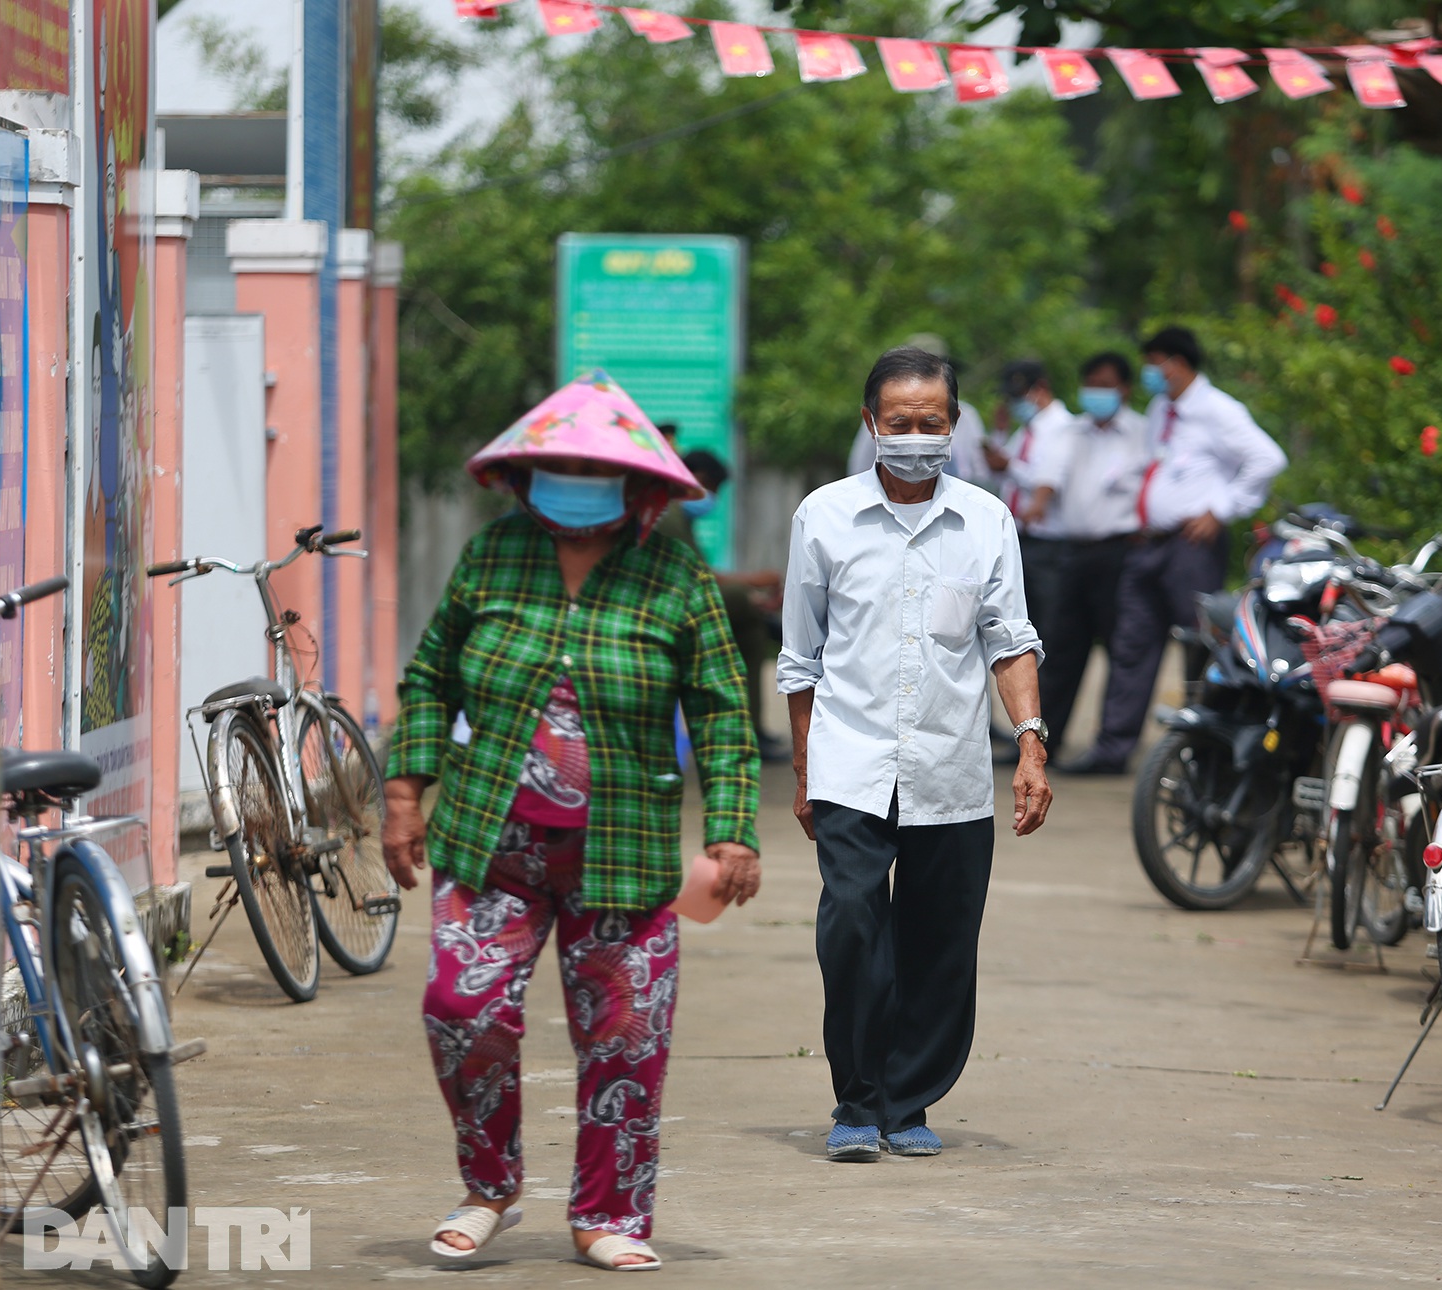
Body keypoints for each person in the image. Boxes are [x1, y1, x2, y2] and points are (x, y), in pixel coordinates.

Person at [383, 369, 762, 1271]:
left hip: (623, 849)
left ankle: (608, 1215)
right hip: (492, 842)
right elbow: (431, 677)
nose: (576, 484)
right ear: (524, 474)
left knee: (626, 1035)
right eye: (560, 466)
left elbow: (720, 707)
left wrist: (733, 826)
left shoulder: (675, 571)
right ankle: (490, 1187)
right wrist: (405, 792)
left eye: (597, 469)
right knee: (459, 1008)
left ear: (638, 484)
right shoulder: (492, 555)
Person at [779, 346, 1053, 1163]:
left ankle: (909, 1100)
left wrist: (1031, 745)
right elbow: (801, 659)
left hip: (951, 767)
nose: (913, 437)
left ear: (954, 425)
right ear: (871, 424)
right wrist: (803, 773)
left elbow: (1010, 641)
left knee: (941, 942)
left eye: (929, 424)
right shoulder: (822, 517)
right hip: (850, 761)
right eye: (898, 424)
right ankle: (856, 1101)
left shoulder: (985, 520)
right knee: (854, 927)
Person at [1063, 327, 1287, 775]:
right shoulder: (1162, 409)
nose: (1149, 372)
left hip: (1191, 546)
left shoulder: (1218, 410)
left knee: (1198, 647)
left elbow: (1268, 459)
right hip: (1148, 545)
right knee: (1131, 644)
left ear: (1178, 363)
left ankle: (1203, 753)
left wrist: (1221, 509)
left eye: (1154, 363)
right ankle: (1112, 749)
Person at [1039, 352, 1149, 762]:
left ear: (1124, 388)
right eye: (1091, 384)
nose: (1096, 393)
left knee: (1122, 653)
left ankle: (1112, 747)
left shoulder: (1142, 432)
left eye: (1105, 384)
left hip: (1120, 552)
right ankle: (1043, 740)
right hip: (1074, 552)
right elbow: (1048, 479)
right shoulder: (1072, 432)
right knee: (1061, 649)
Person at [657, 448, 790, 762]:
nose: (712, 498)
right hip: (664, 603)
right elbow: (701, 578)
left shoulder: (674, 512)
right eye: (713, 489)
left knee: (749, 621)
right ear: (700, 480)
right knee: (743, 604)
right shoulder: (669, 513)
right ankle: (748, 729)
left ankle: (749, 729)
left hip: (678, 598)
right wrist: (754, 584)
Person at [981, 359, 1076, 638]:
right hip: (1021, 537)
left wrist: (1008, 466)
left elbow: (1046, 482)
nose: (1013, 403)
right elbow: (1001, 475)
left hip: (1049, 540)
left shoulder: (1064, 427)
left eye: (1018, 396)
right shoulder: (1026, 430)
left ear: (1041, 388)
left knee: (1047, 622)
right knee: (1021, 619)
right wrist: (998, 435)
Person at [845, 334, 994, 488]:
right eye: (900, 424)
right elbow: (859, 467)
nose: (916, 436)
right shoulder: (882, 417)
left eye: (931, 425)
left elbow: (980, 471)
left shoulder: (968, 416)